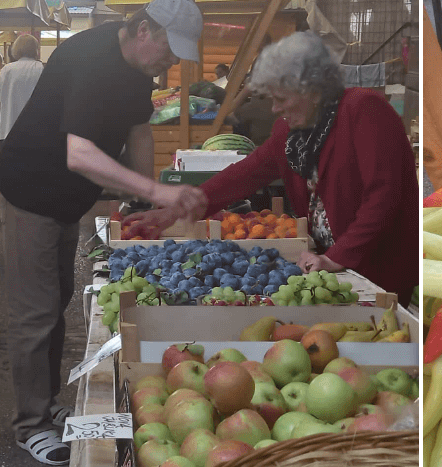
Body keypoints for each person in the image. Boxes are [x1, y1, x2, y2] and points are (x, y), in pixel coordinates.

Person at [0, 0, 207, 465]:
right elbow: (81, 154)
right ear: (144, 30)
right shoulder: (91, 58)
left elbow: (139, 130)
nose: (170, 62)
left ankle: (45, 406)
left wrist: (142, 197)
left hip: (65, 199)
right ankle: (31, 424)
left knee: (56, 300)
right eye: (168, 50)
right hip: (31, 192)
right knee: (36, 311)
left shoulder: (137, 72)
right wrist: (159, 193)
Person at [128, 31, 419, 304]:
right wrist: (176, 209)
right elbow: (245, 174)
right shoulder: (291, 131)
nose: (274, 110)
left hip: (377, 271)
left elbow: (383, 197)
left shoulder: (364, 110)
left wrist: (336, 258)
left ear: (314, 91)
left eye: (281, 99)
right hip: (332, 269)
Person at [0, 34, 42, 218]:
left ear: (15, 49)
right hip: (35, 138)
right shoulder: (42, 69)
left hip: (8, 134)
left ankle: (7, 217)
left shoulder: (7, 70)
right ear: (36, 49)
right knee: (33, 184)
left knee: (7, 183)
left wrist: (12, 101)